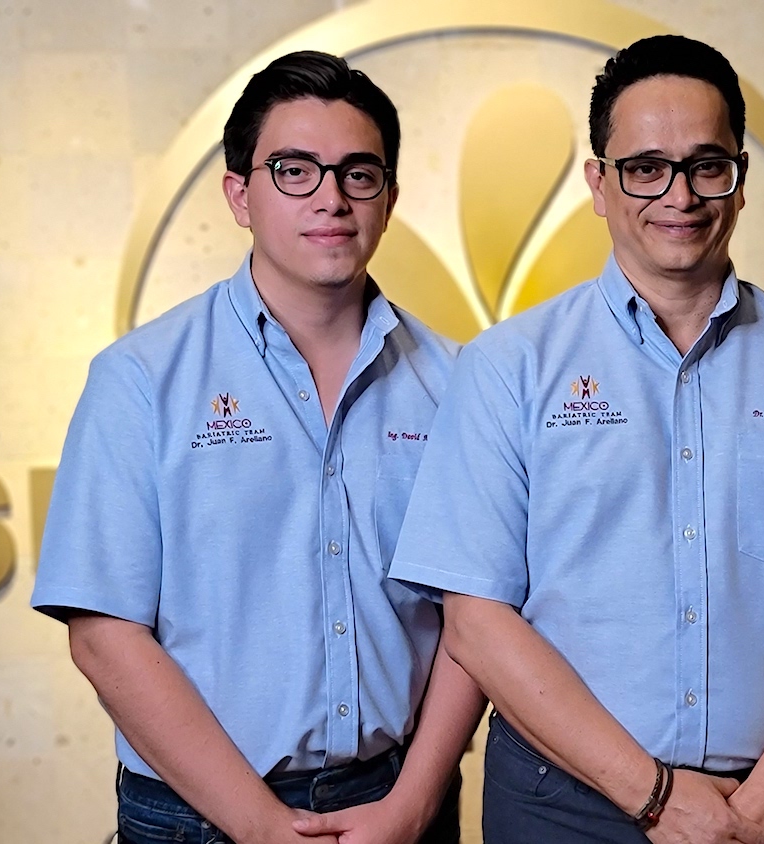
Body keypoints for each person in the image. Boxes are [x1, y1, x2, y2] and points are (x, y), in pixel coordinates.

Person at [387, 35, 764, 844]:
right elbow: (476, 617)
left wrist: (759, 809)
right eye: (645, 167)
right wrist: (659, 799)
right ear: (598, 183)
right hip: (557, 805)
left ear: (740, 181)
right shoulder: (508, 366)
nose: (680, 194)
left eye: (708, 164)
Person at [30, 51, 485, 844]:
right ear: (240, 195)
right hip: (194, 814)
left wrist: (414, 803)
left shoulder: (460, 383)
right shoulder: (142, 378)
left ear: (390, 197)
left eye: (358, 173)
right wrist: (260, 824)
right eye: (294, 171)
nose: (332, 199)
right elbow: (104, 635)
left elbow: (475, 617)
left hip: (398, 802)